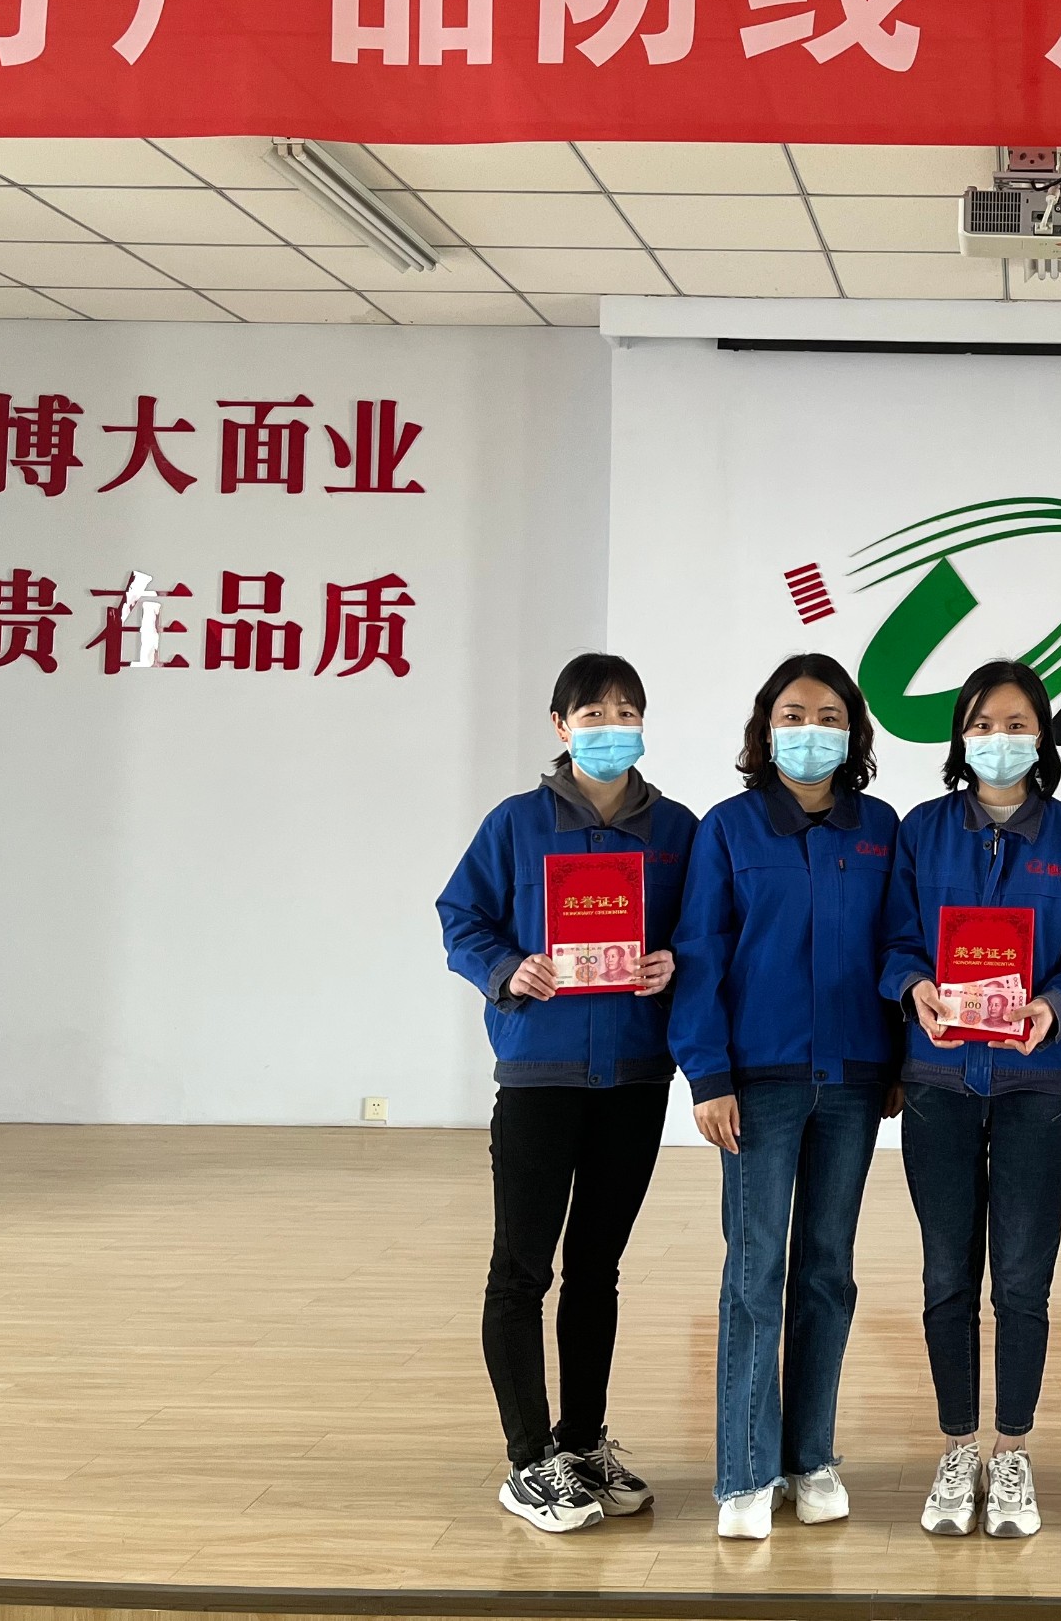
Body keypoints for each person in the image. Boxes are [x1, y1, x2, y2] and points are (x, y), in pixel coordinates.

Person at [435, 653, 694, 1534]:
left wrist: (675, 961)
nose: (610, 725)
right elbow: (461, 917)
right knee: (521, 1270)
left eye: (626, 710)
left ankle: (581, 1442)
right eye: (592, 712)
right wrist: (509, 968)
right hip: (540, 1077)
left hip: (634, 1076)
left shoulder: (676, 830)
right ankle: (527, 1460)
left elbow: (705, 930)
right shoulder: (516, 823)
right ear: (560, 725)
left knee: (596, 1269)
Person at [669, 653, 902, 1541]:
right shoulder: (728, 829)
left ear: (854, 732)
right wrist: (709, 1074)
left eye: (830, 716)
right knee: (755, 1270)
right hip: (757, 1084)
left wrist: (898, 1061)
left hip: (853, 1081)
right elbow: (700, 955)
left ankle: (811, 1457)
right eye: (794, 715)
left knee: (826, 1270)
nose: (812, 731)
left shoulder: (879, 828)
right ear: (766, 729)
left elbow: (900, 946)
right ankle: (744, 1470)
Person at [881, 660, 1061, 1541]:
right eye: (983, 723)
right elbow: (895, 940)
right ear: (960, 736)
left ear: (1042, 735)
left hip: (1033, 1085)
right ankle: (956, 1445)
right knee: (947, 1273)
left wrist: (1055, 1005)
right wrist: (915, 987)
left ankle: (1011, 1448)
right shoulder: (921, 830)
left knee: (1021, 1278)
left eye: (1017, 724)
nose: (999, 739)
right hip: (938, 1082)